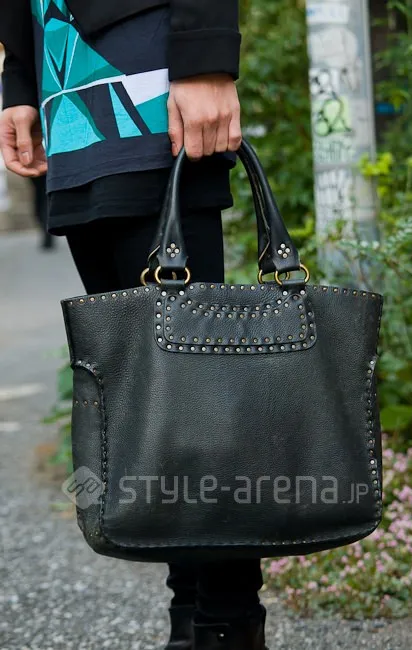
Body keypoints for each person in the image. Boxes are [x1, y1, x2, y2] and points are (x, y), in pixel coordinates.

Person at [0, 1, 268, 649]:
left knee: (196, 391)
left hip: (149, 77)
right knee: (137, 397)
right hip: (66, 88)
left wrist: (205, 57)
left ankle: (226, 620)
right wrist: (19, 80)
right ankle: (191, 615)